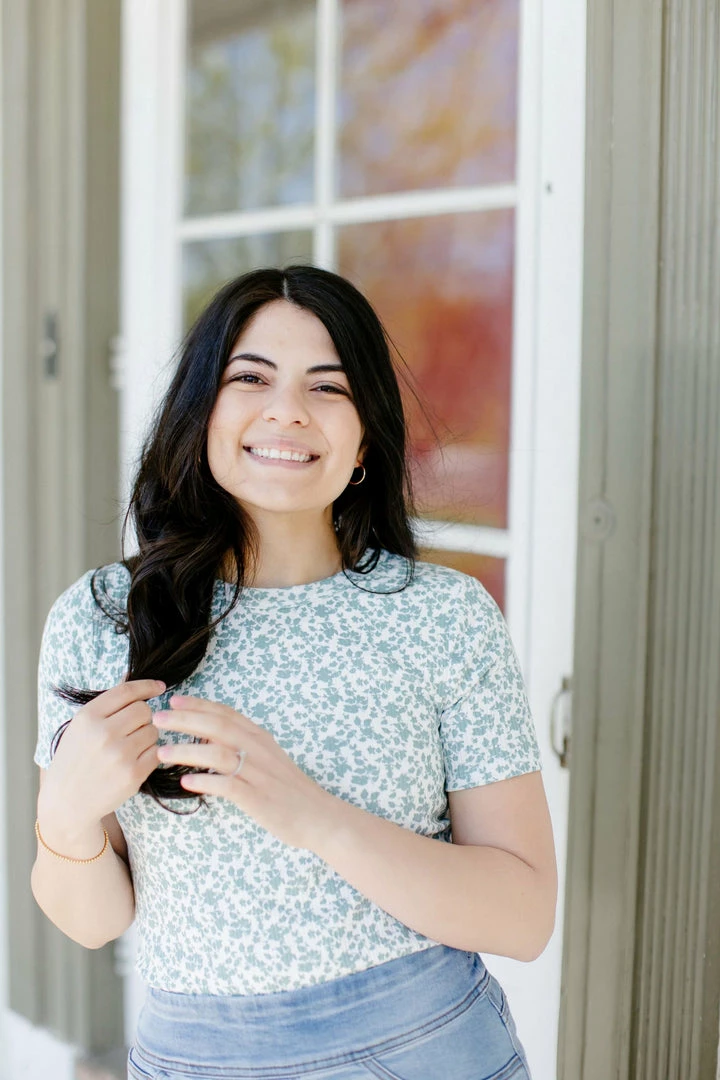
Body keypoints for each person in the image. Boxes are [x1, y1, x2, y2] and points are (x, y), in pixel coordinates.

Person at [31, 265, 557, 1080]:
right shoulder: (102, 619)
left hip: (427, 1052)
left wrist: (309, 812)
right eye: (250, 377)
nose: (287, 410)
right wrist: (62, 821)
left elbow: (524, 916)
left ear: (364, 443)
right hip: (193, 1058)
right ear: (200, 411)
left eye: (328, 387)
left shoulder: (441, 616)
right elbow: (94, 921)